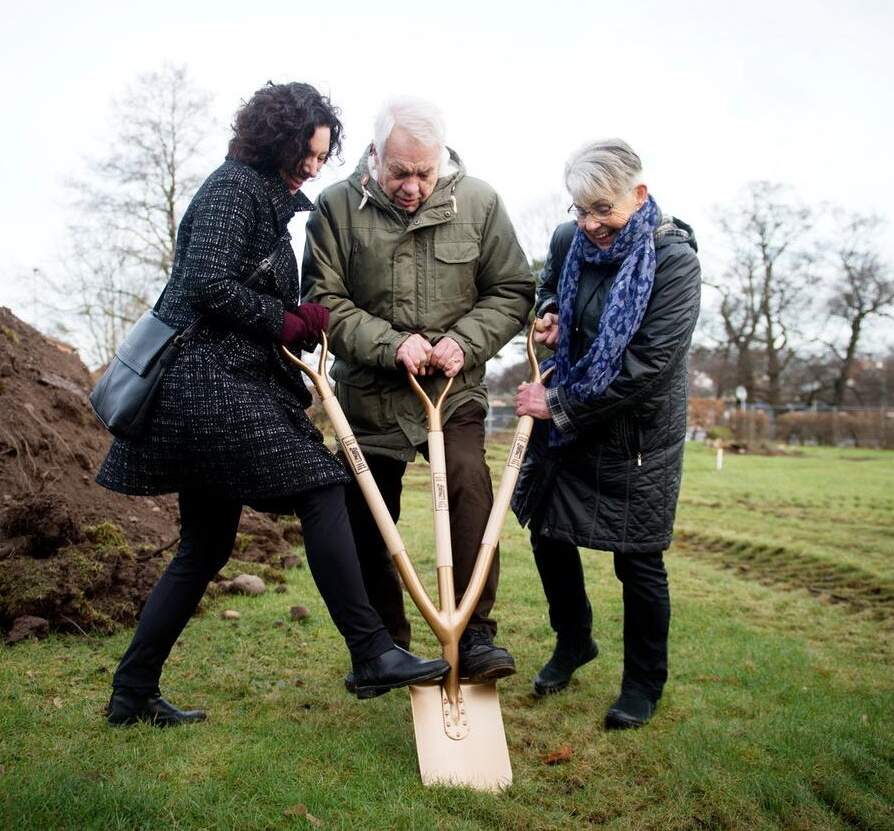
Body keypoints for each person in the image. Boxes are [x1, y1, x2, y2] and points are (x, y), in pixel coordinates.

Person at [96, 82, 449, 727]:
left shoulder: (259, 198)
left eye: (324, 154)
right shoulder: (231, 191)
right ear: (279, 144)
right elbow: (204, 282)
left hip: (215, 387)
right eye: (310, 154)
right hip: (207, 387)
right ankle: (371, 650)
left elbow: (234, 284)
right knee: (323, 486)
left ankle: (132, 691)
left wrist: (294, 317)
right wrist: (283, 321)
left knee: (203, 549)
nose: (317, 166)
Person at [301, 96, 534, 687]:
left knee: (468, 487)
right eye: (400, 172)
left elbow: (511, 289)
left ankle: (475, 637)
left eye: (424, 173)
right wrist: (389, 343)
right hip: (369, 396)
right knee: (367, 520)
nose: (412, 186)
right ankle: (384, 648)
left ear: (441, 162)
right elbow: (322, 301)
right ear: (375, 156)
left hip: (452, 393)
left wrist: (465, 340)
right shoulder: (334, 208)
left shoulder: (479, 203)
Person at [512, 139, 700, 729]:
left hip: (635, 437)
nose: (591, 224)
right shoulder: (570, 240)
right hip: (569, 426)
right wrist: (546, 310)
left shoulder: (674, 262)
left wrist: (557, 404)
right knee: (547, 531)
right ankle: (574, 641)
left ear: (638, 195)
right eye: (580, 210)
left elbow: (647, 367)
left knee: (638, 561)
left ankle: (643, 683)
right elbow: (549, 286)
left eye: (604, 209)